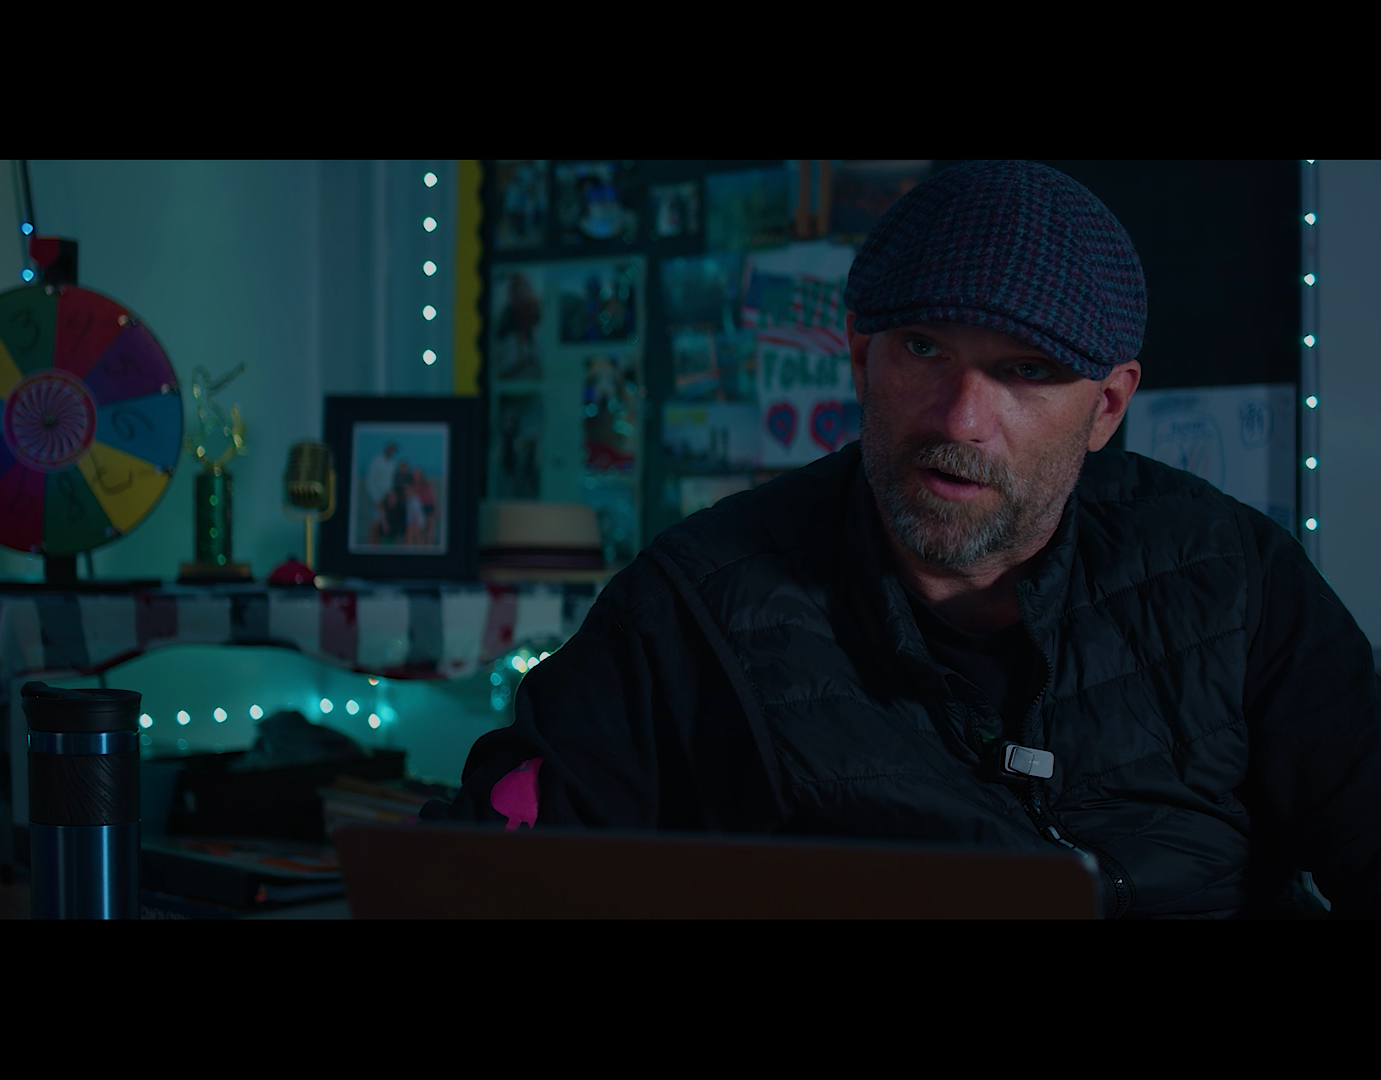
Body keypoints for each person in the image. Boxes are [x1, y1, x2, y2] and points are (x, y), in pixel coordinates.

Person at [424, 160, 1381, 918]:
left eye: (1025, 371)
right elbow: (490, 872)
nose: (960, 419)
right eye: (924, 348)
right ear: (858, 355)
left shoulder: (1232, 578)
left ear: (1106, 407)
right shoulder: (693, 605)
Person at [364, 442, 399, 545]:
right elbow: (370, 480)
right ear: (386, 448)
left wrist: (392, 496)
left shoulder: (392, 463)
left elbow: (391, 482)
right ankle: (372, 546)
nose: (391, 451)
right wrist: (375, 498)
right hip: (376, 496)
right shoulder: (376, 461)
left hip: (387, 497)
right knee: (375, 521)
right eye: (390, 448)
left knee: (385, 522)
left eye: (393, 449)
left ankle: (379, 546)